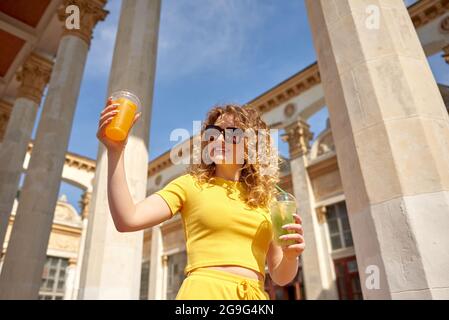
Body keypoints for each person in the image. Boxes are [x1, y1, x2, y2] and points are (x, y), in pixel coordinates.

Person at [96, 101, 305, 300]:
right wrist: (116, 152)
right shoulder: (189, 185)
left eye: (232, 133)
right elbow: (127, 219)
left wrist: (290, 255)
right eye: (214, 134)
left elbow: (280, 276)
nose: (219, 140)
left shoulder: (266, 201)